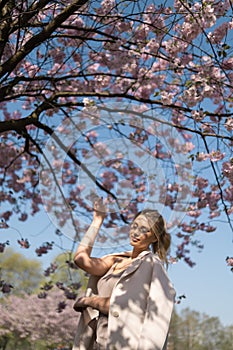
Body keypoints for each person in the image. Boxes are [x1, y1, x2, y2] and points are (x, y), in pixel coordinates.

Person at [72, 198, 176, 350]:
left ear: (154, 237)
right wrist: (97, 220)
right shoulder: (115, 260)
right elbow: (81, 260)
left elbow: (126, 306)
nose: (136, 233)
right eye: (134, 226)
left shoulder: (153, 266)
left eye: (144, 230)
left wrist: (89, 301)